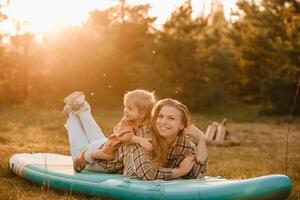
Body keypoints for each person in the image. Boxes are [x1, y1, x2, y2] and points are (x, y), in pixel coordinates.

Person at [64, 89, 155, 172]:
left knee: (97, 144)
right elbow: (124, 136)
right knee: (79, 157)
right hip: (107, 152)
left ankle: (82, 110)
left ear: (143, 113)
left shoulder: (149, 124)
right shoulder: (127, 121)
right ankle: (72, 114)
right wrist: (140, 140)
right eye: (125, 107)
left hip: (106, 146)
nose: (125, 110)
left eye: (129, 108)